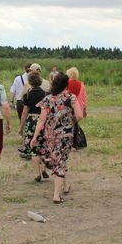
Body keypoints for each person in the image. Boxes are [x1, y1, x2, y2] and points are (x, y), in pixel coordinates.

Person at [31, 73, 84, 204]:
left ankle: (65, 186)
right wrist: (70, 120)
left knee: (57, 160)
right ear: (66, 85)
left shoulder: (48, 99)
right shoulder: (71, 98)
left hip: (50, 134)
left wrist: (35, 136)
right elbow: (79, 115)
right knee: (60, 161)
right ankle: (56, 195)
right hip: (65, 135)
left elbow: (41, 119)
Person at [18, 72, 49, 183]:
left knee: (34, 149)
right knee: (44, 146)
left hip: (31, 122)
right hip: (43, 121)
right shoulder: (46, 94)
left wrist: (21, 126)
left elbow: (24, 112)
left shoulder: (27, 95)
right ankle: (45, 166)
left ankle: (38, 173)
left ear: (30, 82)